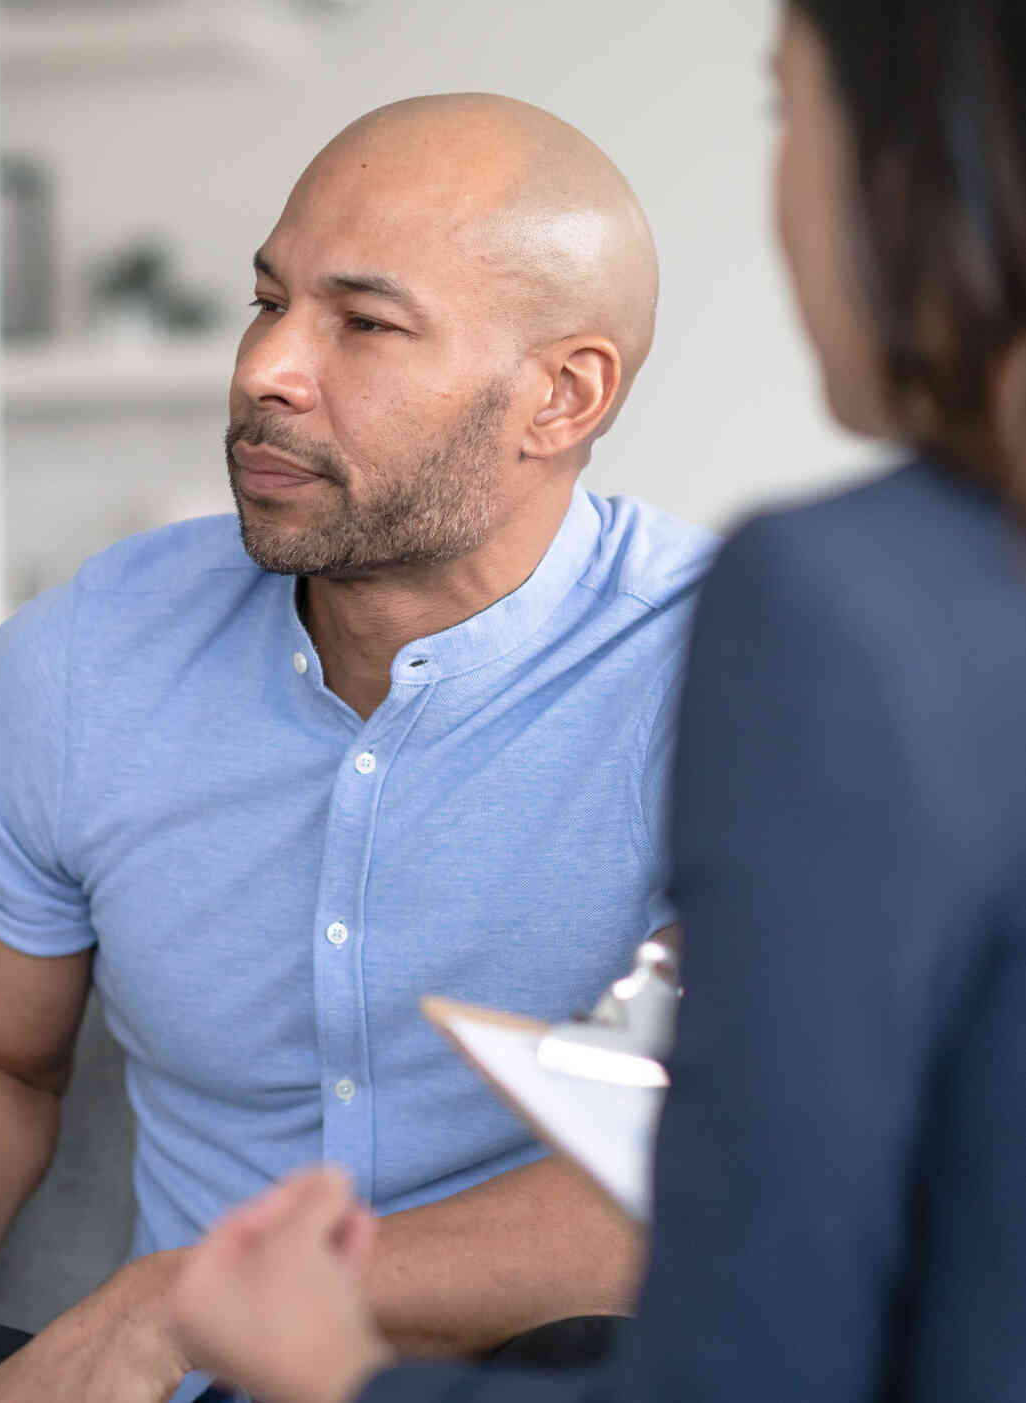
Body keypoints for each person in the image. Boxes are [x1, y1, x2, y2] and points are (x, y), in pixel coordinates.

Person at [0, 95, 716, 1403]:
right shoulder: (85, 659)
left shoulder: (739, 681)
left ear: (561, 394)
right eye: (267, 300)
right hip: (169, 1387)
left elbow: (714, 1168)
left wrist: (182, 1303)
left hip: (519, 1378)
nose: (265, 369)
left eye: (361, 324)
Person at [164, 3, 1026, 1402]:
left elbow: (753, 1368)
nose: (265, 367)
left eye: (782, 109)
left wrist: (332, 1362)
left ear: (915, 154)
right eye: (270, 299)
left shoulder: (842, 606)